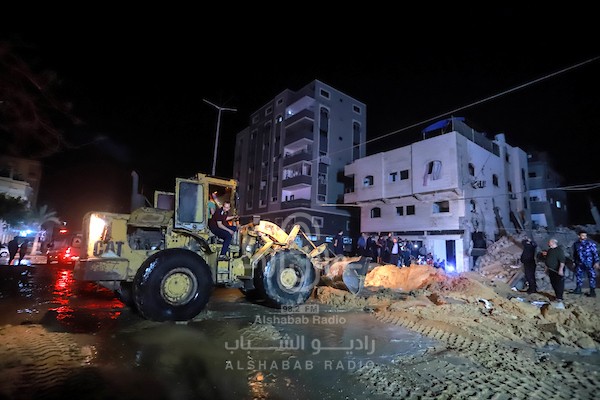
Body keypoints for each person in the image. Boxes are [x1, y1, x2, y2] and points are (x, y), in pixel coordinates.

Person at [571, 230, 599, 297]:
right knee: (579, 276)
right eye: (583, 235)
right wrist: (574, 262)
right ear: (579, 236)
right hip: (579, 263)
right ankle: (578, 289)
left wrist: (596, 262)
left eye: (585, 235)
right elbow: (575, 254)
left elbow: (595, 253)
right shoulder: (576, 244)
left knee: (591, 276)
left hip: (589, 263)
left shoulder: (590, 243)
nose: (584, 237)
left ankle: (592, 291)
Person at [543, 238, 566, 308]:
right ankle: (557, 296)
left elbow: (562, 261)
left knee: (559, 284)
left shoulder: (559, 250)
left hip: (557, 270)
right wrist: (546, 269)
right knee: (554, 283)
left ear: (553, 243)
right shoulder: (550, 250)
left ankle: (559, 297)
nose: (548, 243)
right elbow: (547, 260)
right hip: (551, 270)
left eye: (549, 242)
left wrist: (560, 270)